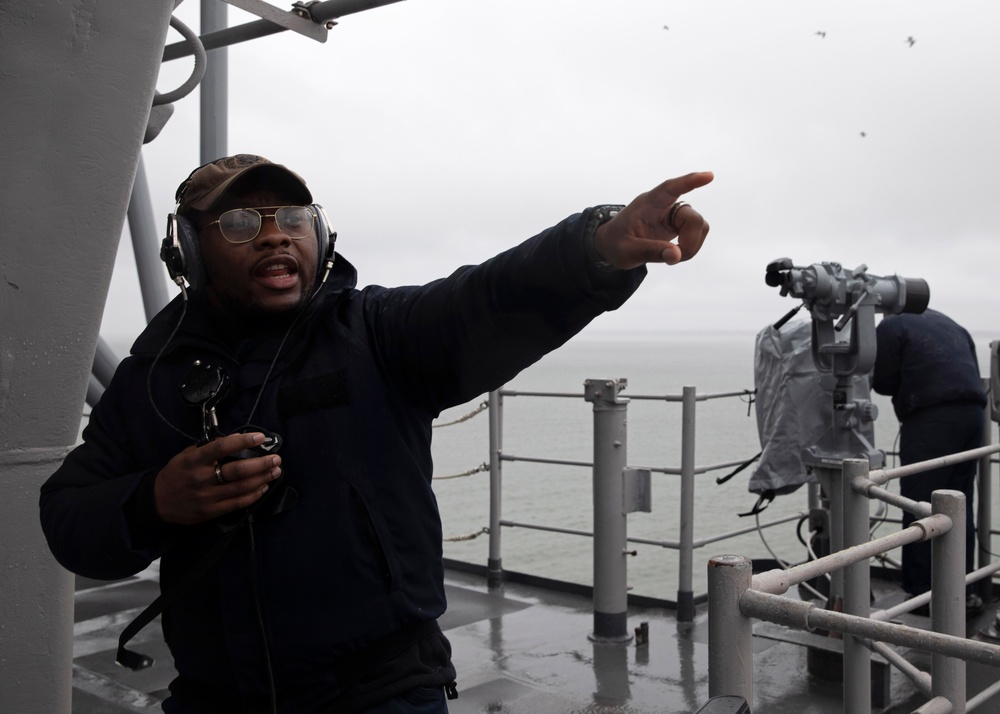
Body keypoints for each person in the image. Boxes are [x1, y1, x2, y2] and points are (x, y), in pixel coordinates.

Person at [39, 154, 713, 714]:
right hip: (216, 697)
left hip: (383, 691)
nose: (276, 236)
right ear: (189, 248)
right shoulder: (149, 380)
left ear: (320, 237)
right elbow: (68, 515)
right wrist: (154, 500)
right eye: (243, 221)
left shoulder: (379, 334)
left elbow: (487, 297)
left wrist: (598, 247)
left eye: (294, 219)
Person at [872, 308, 987, 614]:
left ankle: (924, 595)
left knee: (919, 504)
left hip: (932, 418)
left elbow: (881, 381)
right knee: (959, 504)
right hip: (973, 416)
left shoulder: (891, 325)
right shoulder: (952, 323)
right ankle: (964, 590)